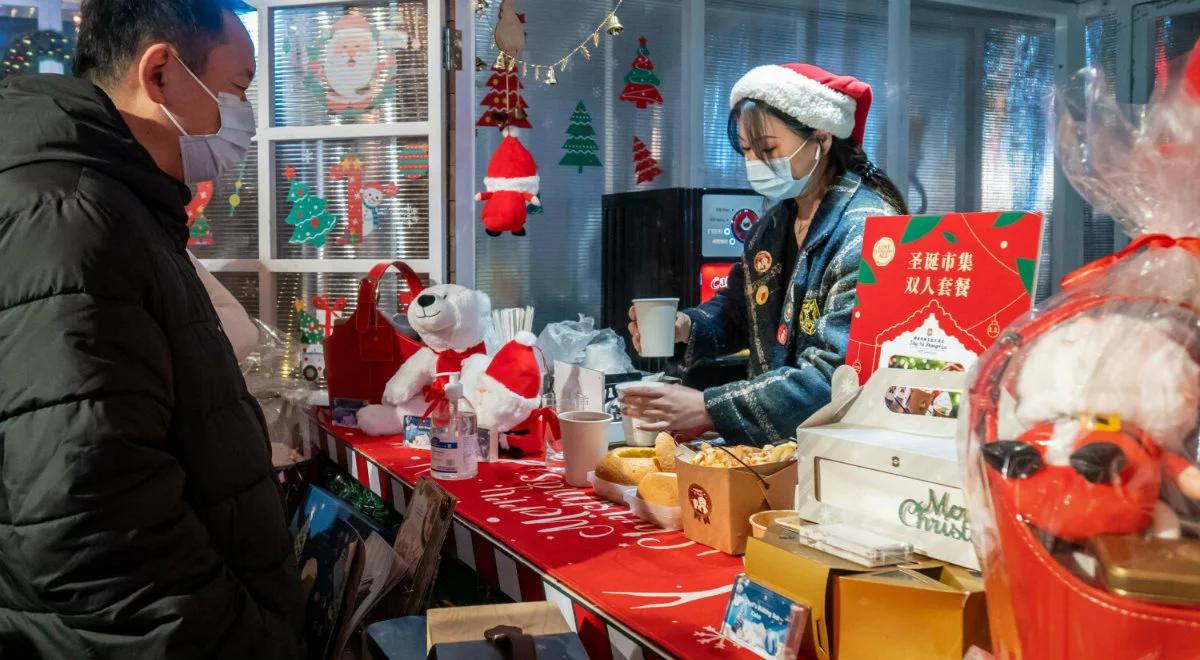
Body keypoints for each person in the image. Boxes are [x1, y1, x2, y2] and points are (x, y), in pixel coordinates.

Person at [0, 1, 304, 657]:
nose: (244, 119)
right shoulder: (75, 223)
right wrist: (247, 639)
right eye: (239, 89)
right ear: (161, 73)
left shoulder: (111, 202)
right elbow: (88, 524)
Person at [624, 63, 908, 446]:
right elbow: (740, 311)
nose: (755, 163)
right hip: (776, 449)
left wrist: (709, 407)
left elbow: (837, 376)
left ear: (822, 138)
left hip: (839, 452)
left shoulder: (870, 233)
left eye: (768, 149)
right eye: (747, 151)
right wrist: (685, 327)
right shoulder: (771, 227)